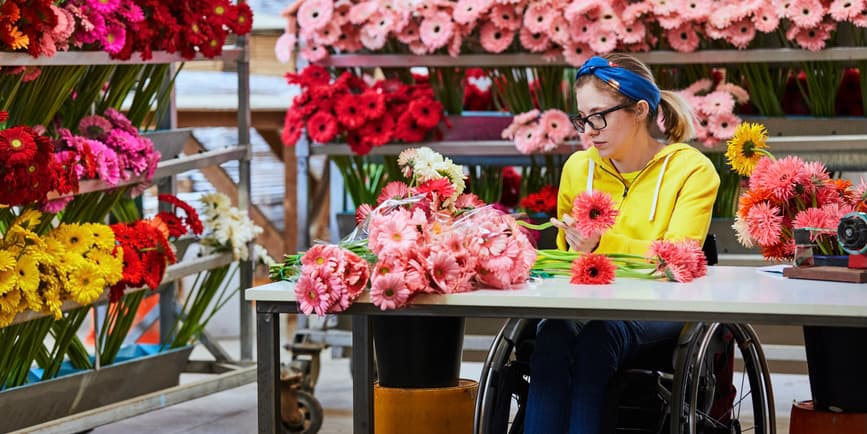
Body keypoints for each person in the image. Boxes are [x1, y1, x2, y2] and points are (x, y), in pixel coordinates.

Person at [524, 53, 721, 434]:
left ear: (639, 110)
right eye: (583, 118)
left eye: (599, 116)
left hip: (662, 308)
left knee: (600, 337)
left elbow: (678, 260)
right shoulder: (578, 169)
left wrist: (603, 245)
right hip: (591, 302)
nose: (590, 130)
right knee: (550, 332)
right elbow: (569, 259)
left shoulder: (691, 170)